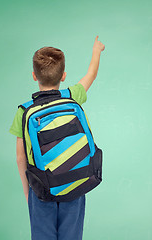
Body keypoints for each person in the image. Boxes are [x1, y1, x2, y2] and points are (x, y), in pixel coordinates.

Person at [9, 36, 105, 240]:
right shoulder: (72, 96)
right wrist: (96, 50)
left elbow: (20, 159)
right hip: (74, 182)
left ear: (34, 76)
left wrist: (28, 194)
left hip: (41, 189)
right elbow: (91, 75)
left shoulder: (24, 111)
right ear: (64, 75)